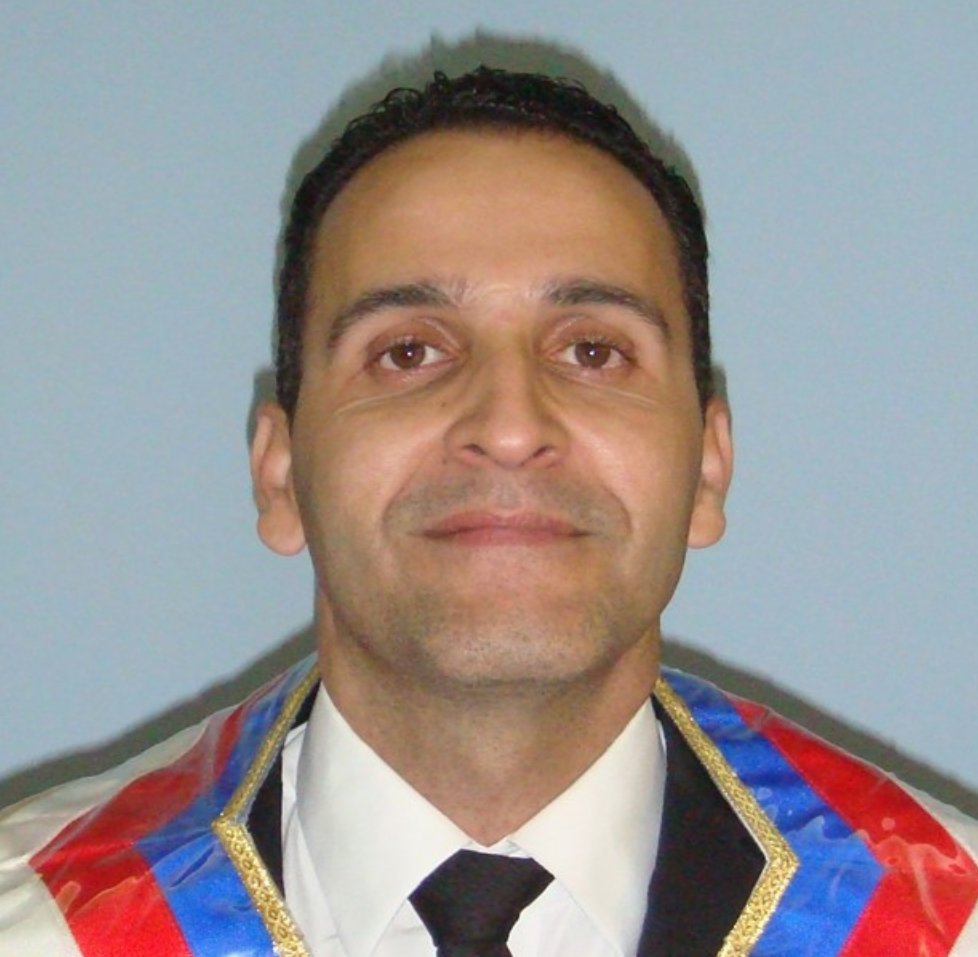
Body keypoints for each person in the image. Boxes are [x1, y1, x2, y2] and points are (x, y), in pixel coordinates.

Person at [1, 66, 976, 957]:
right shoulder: (39, 923)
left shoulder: (943, 922)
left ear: (708, 467)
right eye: (409, 352)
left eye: (592, 351)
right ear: (281, 473)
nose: (509, 428)